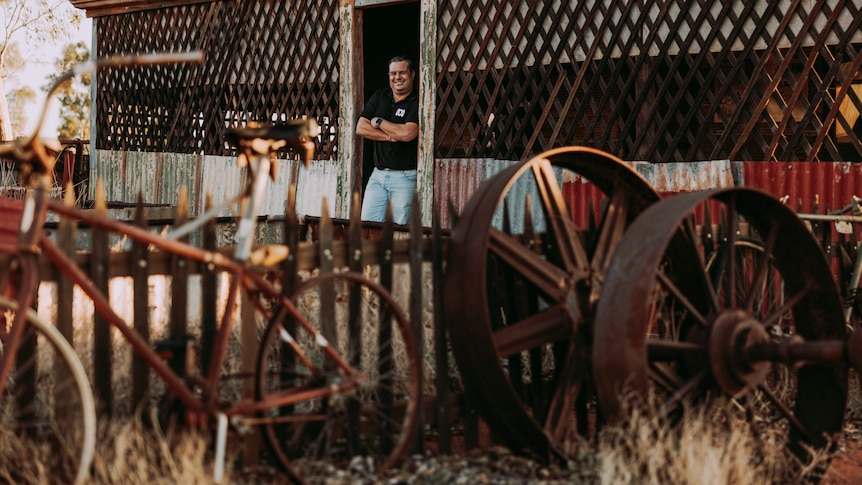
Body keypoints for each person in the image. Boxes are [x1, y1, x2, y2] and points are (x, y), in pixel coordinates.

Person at [355, 55, 419, 224]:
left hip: (405, 177)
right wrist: (390, 137)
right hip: (378, 175)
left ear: (413, 74)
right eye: (393, 73)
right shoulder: (380, 96)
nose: (397, 77)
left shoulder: (417, 101)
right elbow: (360, 128)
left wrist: (379, 122)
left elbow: (408, 134)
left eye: (402, 73)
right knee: (368, 226)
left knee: (400, 229)